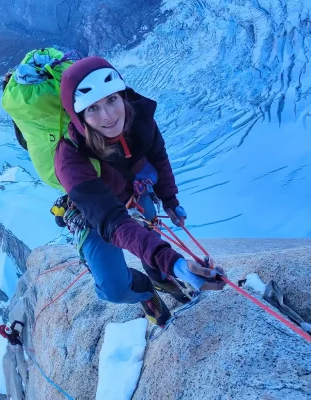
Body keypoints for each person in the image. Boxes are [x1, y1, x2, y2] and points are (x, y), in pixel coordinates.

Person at [54, 56, 226, 326]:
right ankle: (145, 291)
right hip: (98, 216)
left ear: (122, 95)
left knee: (151, 247)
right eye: (93, 108)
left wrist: (170, 199)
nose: (108, 116)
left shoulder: (139, 119)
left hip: (136, 195)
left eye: (112, 100)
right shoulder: (69, 158)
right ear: (80, 117)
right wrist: (176, 262)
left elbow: (157, 155)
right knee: (114, 289)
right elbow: (112, 221)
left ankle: (160, 277)